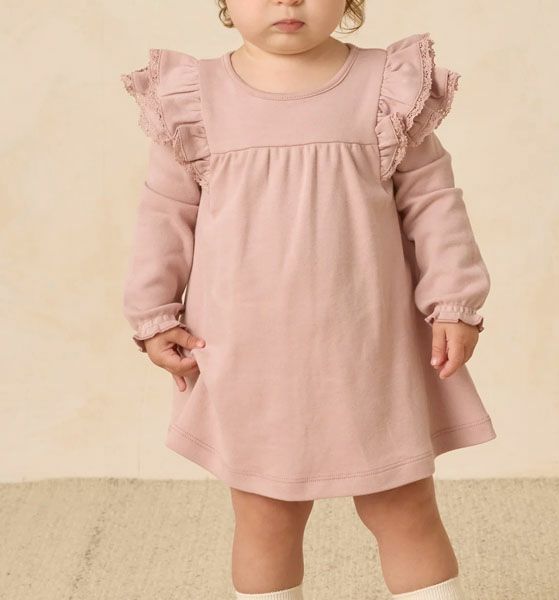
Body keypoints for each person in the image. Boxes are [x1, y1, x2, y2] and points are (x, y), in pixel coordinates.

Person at [119, 1, 497, 598]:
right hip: (250, 354)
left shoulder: (387, 89)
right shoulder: (193, 99)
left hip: (371, 349)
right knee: (266, 518)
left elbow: (432, 199)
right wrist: (153, 312)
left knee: (404, 507)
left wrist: (454, 298)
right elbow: (165, 213)